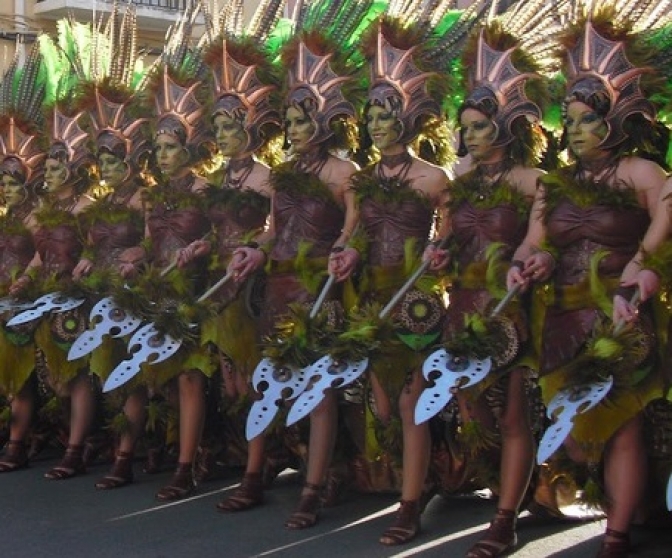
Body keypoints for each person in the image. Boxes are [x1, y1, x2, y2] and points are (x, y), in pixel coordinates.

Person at [508, 11, 669, 557]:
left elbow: (665, 233)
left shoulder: (643, 174)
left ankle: (616, 535)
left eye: (583, 119)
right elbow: (536, 242)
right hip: (562, 315)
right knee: (577, 436)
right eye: (568, 120)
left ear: (615, 118)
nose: (572, 129)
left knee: (622, 420)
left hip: (621, 311)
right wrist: (528, 263)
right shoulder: (553, 185)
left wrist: (644, 268)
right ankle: (619, 507)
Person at [223, 32, 358, 529]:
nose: (295, 129)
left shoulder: (346, 173)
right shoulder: (282, 172)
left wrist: (344, 252)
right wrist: (252, 251)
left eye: (303, 121)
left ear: (325, 121)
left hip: (319, 294)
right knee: (267, 384)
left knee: (318, 390)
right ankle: (254, 474)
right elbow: (274, 230)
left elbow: (352, 231)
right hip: (276, 290)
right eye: (292, 121)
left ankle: (314, 488)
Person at [424, 23, 548, 557]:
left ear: (505, 125)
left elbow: (539, 241)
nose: (470, 136)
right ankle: (515, 486)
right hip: (464, 306)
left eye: (479, 127)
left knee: (515, 412)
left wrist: (525, 263)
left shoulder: (532, 181)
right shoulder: (458, 181)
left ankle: (504, 520)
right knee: (475, 408)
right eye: (465, 128)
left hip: (511, 306)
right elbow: (447, 240)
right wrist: (437, 253)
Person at [329, 20, 451, 545]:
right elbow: (350, 233)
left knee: (408, 402)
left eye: (387, 115)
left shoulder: (433, 178)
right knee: (382, 405)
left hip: (416, 297)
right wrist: (342, 255)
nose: (377, 124)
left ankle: (409, 502)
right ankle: (432, 461)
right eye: (372, 116)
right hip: (372, 297)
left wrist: (439, 249)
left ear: (411, 119)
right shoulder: (362, 179)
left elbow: (449, 233)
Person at [9, 102, 96, 480]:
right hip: (44, 298)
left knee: (76, 375)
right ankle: (70, 437)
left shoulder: (87, 208)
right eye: (48, 168)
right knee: (55, 380)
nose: (50, 174)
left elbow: (98, 251)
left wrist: (86, 267)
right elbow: (38, 256)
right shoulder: (42, 210)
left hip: (75, 299)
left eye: (57, 168)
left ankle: (76, 449)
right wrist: (26, 278)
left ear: (73, 172)